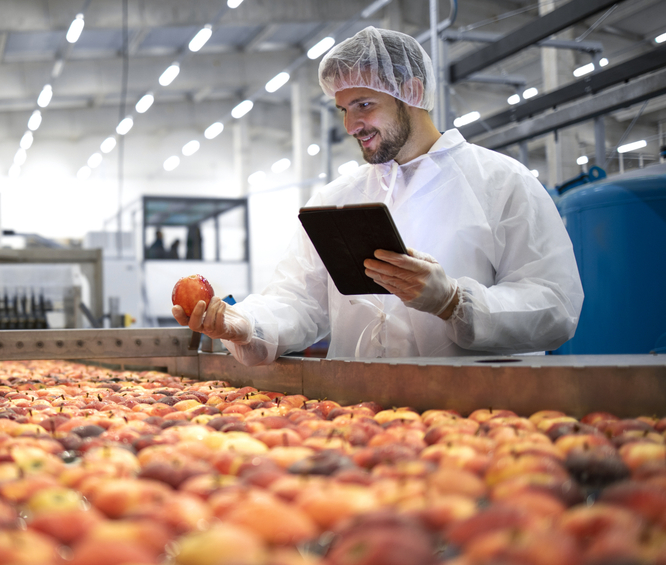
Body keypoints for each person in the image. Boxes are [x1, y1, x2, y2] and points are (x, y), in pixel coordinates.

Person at [173, 26, 583, 365]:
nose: (352, 124)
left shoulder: (502, 183)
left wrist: (455, 302)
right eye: (343, 109)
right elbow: (297, 298)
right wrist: (246, 324)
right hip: (362, 414)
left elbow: (555, 307)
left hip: (478, 416)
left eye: (364, 104)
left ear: (413, 91)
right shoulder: (336, 199)